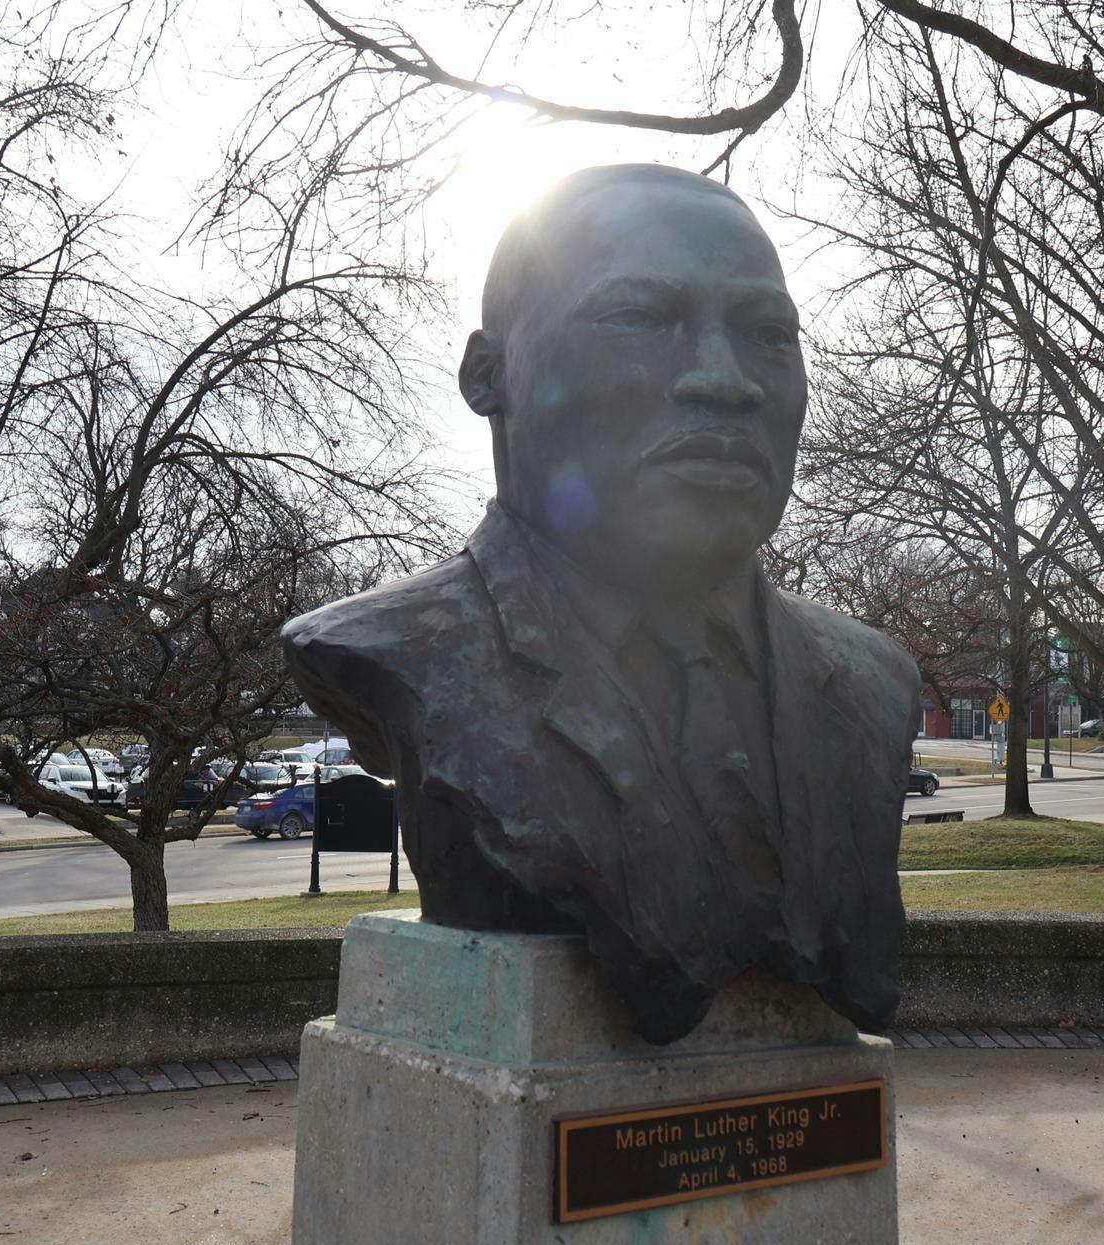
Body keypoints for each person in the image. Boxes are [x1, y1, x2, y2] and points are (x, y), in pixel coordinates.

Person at [283, 164, 918, 1044]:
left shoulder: (872, 682)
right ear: (488, 376)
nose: (722, 379)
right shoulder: (393, 653)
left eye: (768, 333)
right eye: (641, 319)